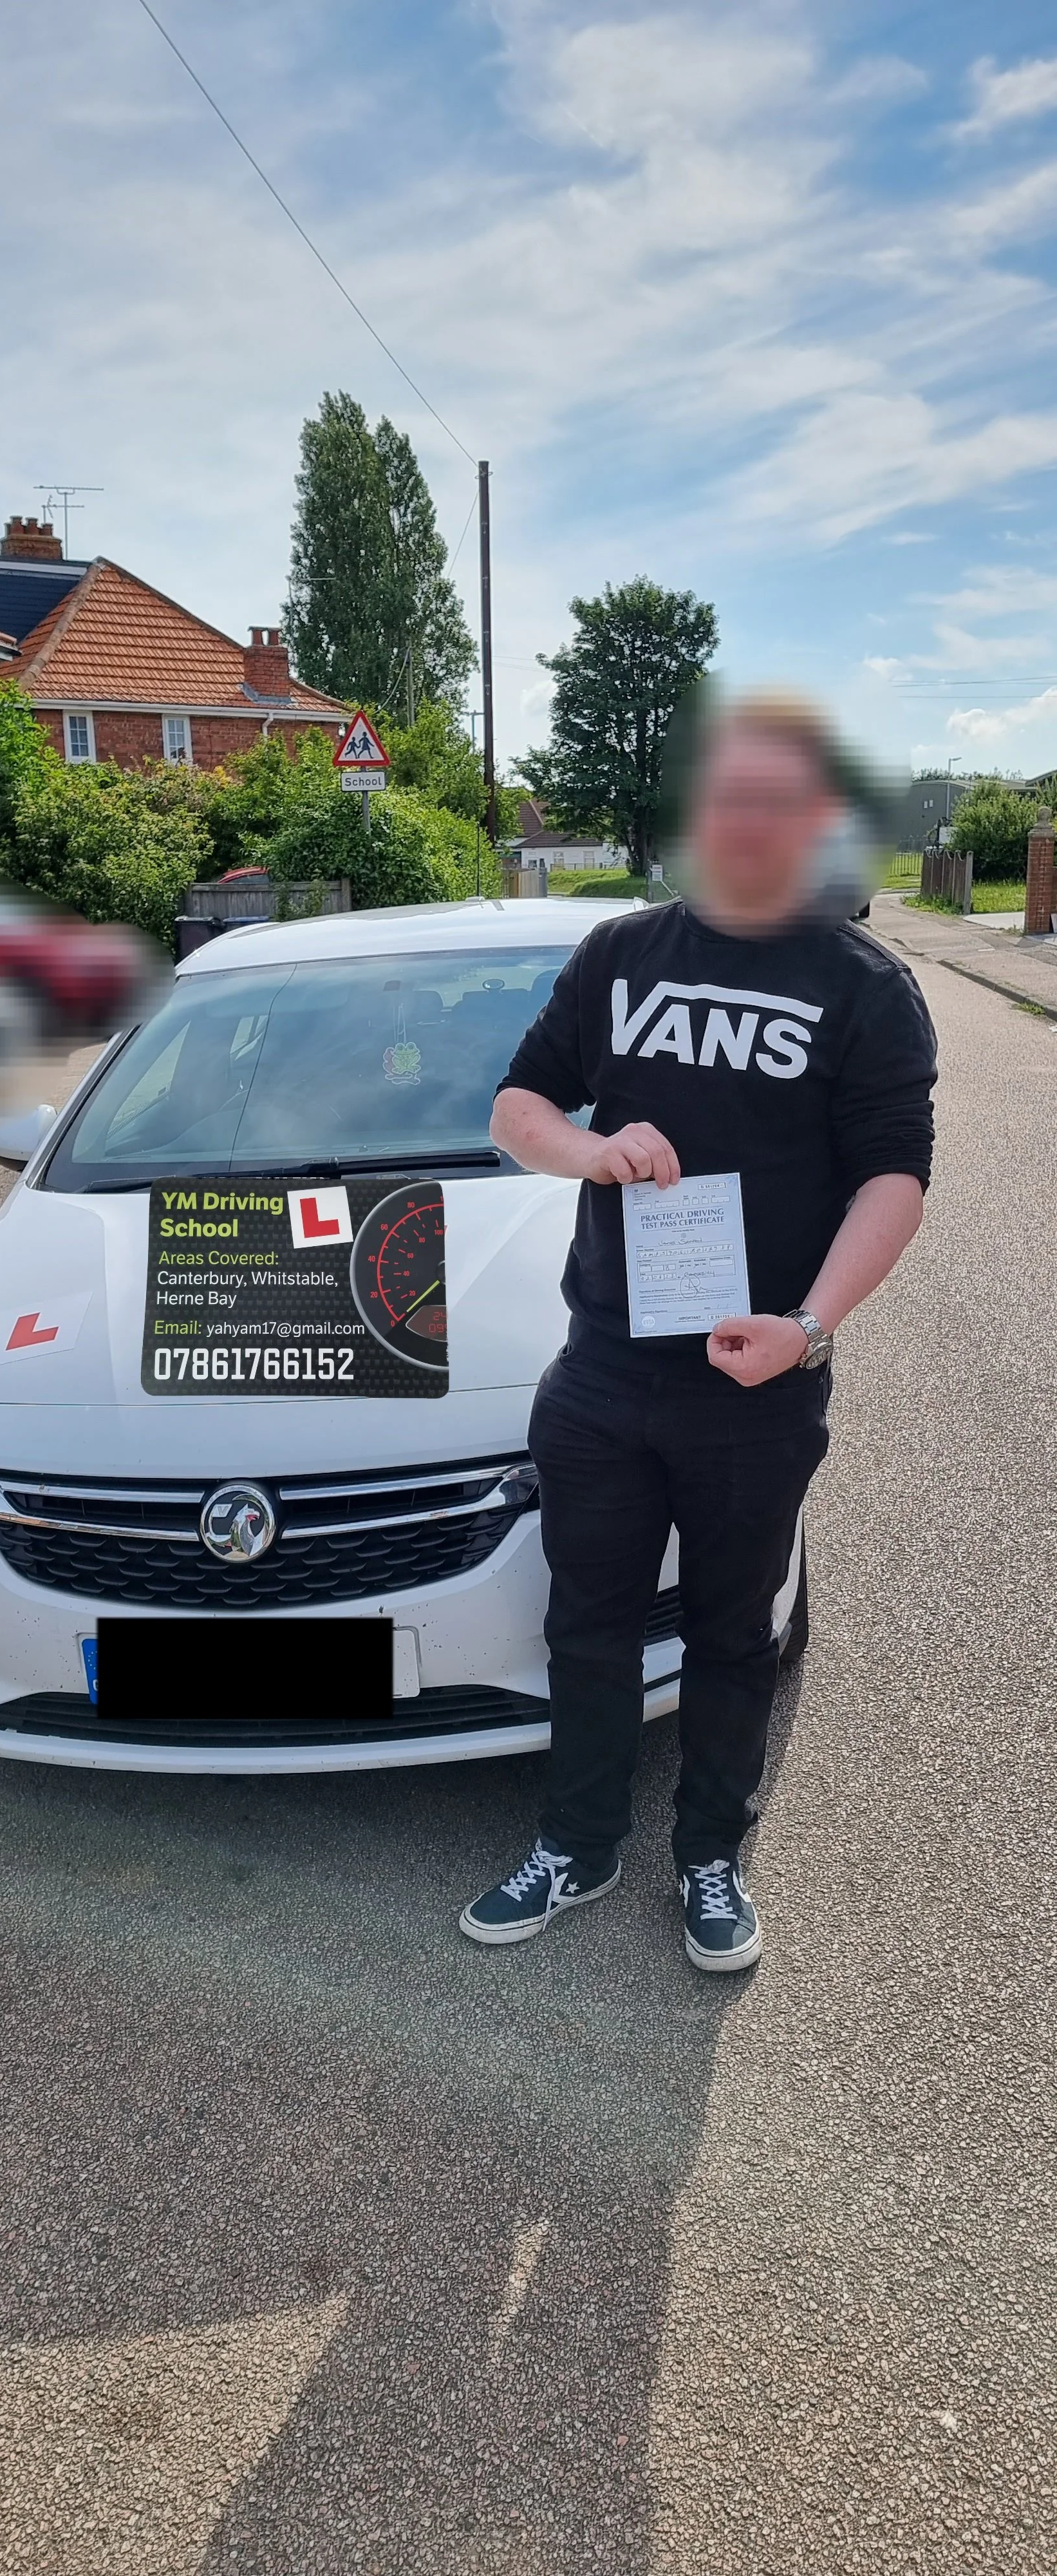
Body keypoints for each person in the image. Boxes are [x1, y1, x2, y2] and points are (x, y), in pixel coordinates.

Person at [460, 694, 936, 1969]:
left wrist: (809, 1324)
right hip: (606, 1372)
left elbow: (896, 1178)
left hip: (757, 1383)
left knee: (735, 1632)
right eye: (729, 797)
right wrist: (594, 1148)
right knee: (589, 1623)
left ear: (815, 821)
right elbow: (515, 1107)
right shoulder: (619, 956)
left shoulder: (865, 987)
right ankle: (579, 1841)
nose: (746, 823)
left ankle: (712, 1856)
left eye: (776, 801)